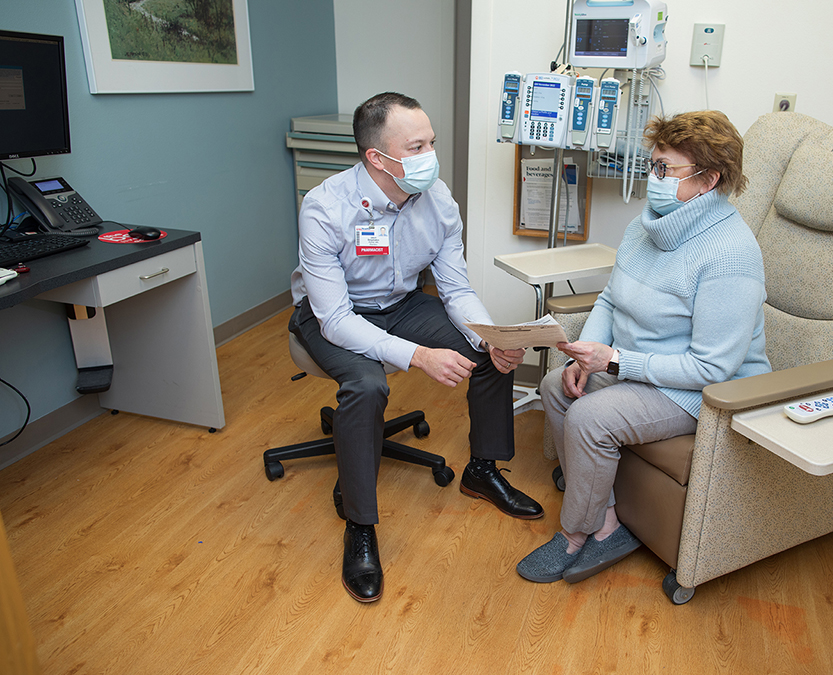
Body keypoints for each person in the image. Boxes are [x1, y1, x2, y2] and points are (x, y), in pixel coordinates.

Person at [290, 92, 543, 603]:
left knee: (487, 354)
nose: (432, 155)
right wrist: (417, 356)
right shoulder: (325, 207)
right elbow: (336, 318)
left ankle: (483, 470)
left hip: (402, 305)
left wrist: (490, 335)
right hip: (332, 316)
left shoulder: (439, 200)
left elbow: (455, 289)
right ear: (377, 158)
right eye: (417, 145)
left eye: (432, 142)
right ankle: (360, 526)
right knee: (366, 385)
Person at [516, 110, 772, 584]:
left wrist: (614, 360)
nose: (652, 178)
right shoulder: (647, 225)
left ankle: (574, 533)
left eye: (664, 169)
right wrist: (588, 349)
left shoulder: (731, 254)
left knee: (592, 416)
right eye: (652, 164)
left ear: (708, 179)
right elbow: (613, 298)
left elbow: (714, 368)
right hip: (641, 369)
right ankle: (607, 518)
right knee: (556, 386)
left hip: (701, 391)